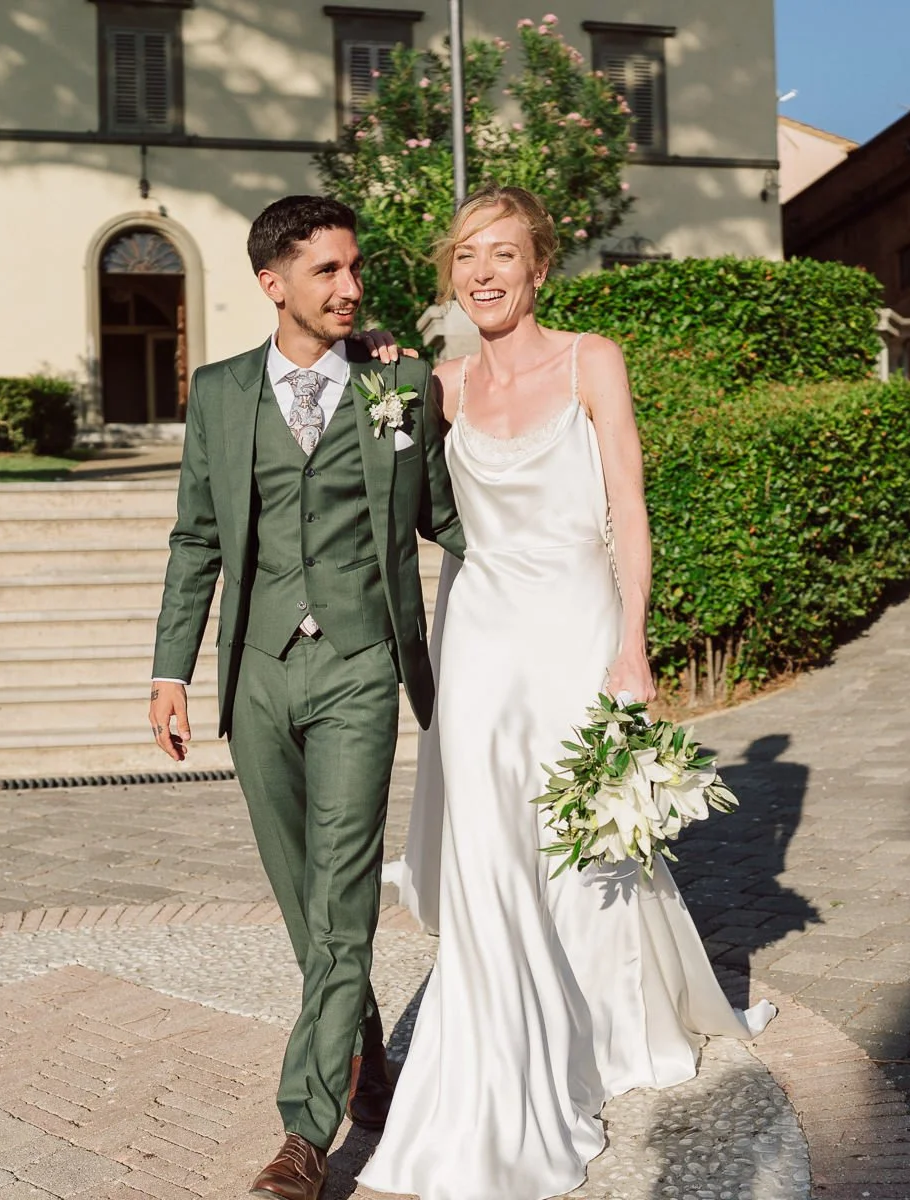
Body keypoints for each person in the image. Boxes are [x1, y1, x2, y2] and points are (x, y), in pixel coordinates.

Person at [362, 185, 776, 1200]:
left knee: (581, 843)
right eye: (466, 255)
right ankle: (505, 1046)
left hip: (580, 629)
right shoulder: (439, 386)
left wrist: (633, 645)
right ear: (449, 273)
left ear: (540, 267)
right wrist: (373, 371)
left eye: (503, 254)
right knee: (489, 846)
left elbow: (627, 509)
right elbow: (385, 489)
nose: (484, 272)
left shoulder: (594, 359)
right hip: (481, 639)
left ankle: (603, 1025)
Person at [147, 194, 463, 1200]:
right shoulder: (221, 391)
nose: (352, 287)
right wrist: (170, 669)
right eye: (327, 271)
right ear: (271, 283)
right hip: (257, 675)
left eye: (354, 268)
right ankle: (365, 1058)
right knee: (303, 897)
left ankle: (305, 1132)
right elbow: (197, 537)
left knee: (342, 890)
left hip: (362, 667)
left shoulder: (398, 386)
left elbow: (450, 517)